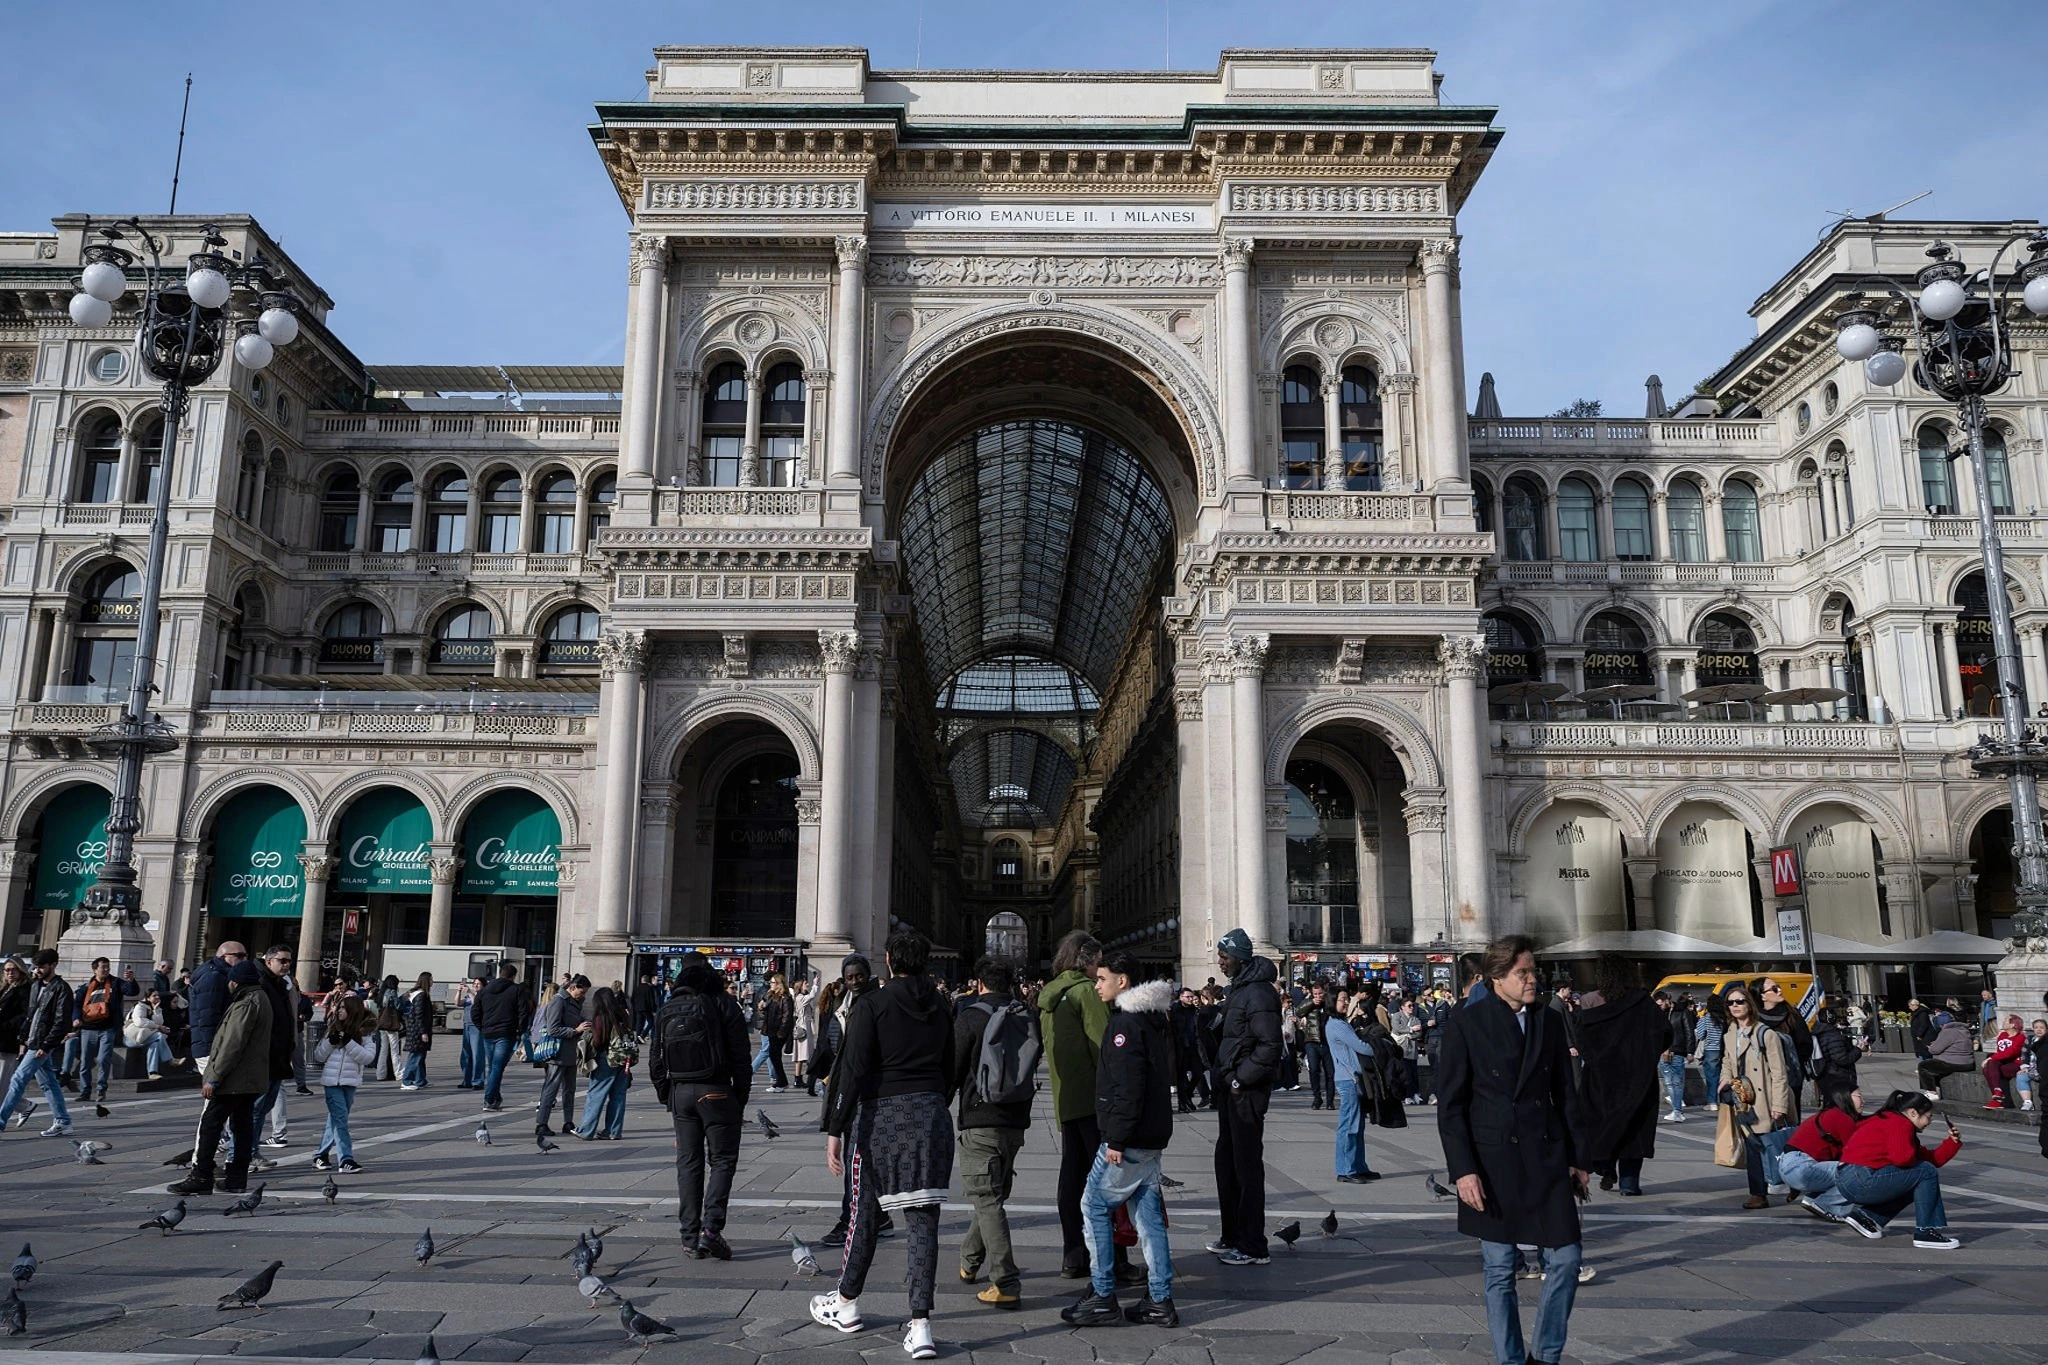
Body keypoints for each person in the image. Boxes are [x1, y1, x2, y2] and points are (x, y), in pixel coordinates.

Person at [1437, 935, 1591, 1365]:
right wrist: (1463, 1171)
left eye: (1534, 972)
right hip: (1492, 1162)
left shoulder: (1548, 1018)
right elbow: (1451, 1106)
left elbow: (1566, 1091)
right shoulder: (1467, 1022)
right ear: (1496, 978)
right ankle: (1510, 1359)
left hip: (1546, 1154)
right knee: (1500, 1268)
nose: (1532, 980)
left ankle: (1546, 1354)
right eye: (1523, 973)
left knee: (1567, 1257)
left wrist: (1580, 1157)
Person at [812, 931, 957, 1360]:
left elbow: (852, 1069)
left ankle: (846, 1302)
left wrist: (836, 1127)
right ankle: (921, 1327)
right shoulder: (942, 1006)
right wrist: (931, 1102)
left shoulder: (872, 1005)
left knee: (864, 1214)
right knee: (923, 1222)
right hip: (931, 1116)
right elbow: (951, 1067)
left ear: (890, 961)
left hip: (881, 1118)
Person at [1062, 952, 1177, 1328]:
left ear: (1122, 982)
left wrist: (1115, 1138)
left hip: (1130, 1138)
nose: (1096, 985)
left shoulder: (1125, 1025)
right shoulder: (1152, 1019)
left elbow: (1128, 1089)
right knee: (1147, 1216)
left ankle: (1102, 1293)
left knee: (1093, 1205)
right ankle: (1159, 1299)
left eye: (1102, 979)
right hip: (1151, 1134)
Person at [650, 952, 751, 1257]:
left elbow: (656, 1060)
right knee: (721, 1161)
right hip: (717, 1090)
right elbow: (741, 1057)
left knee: (688, 1164)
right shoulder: (724, 1003)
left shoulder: (669, 1006)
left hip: (680, 1091)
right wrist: (739, 1099)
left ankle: (688, 1236)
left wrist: (668, 1095)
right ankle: (711, 1229)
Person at [953, 957, 1033, 1310]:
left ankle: (1005, 1281)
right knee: (990, 1195)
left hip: (979, 1117)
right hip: (1016, 1118)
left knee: (986, 1198)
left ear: (980, 984)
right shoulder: (1024, 1015)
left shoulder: (971, 1016)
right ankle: (969, 1262)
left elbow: (953, 1067)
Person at [1039, 930, 1109, 1280]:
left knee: (1072, 1177)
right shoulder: (1085, 993)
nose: (1101, 970)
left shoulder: (1050, 997)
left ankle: (1073, 1255)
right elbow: (1103, 1048)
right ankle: (1113, 1258)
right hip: (1095, 1101)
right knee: (1106, 1182)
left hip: (1066, 1099)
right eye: (1098, 962)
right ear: (1087, 961)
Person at [1209, 927, 1281, 1267]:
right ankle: (1232, 1233)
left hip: (1245, 1093)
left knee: (1246, 1167)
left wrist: (1240, 1079)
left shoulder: (1258, 993)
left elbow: (1270, 1045)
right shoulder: (1238, 991)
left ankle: (1253, 1244)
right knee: (1227, 1162)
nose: (1220, 963)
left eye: (1224, 957)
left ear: (1238, 958)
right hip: (1229, 1090)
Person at [169, 960, 273, 1196]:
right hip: (250, 1078)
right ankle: (236, 1179)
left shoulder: (246, 1003)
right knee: (242, 1126)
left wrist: (214, 1077)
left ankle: (201, 1175)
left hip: (235, 1079)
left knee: (210, 1124)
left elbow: (231, 1043)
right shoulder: (259, 998)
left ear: (235, 982)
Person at [1573, 954, 1664, 1197]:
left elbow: (1581, 1037)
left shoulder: (1591, 1002)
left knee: (1603, 1123)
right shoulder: (1642, 1002)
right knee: (1635, 1126)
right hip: (1637, 1076)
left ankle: (1605, 1165)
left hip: (1601, 1078)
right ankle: (1629, 1182)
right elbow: (1663, 1033)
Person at [815, 954, 890, 1244]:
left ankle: (851, 1220)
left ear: (869, 974)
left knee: (855, 1160)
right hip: (843, 1085)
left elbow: (857, 1062)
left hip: (862, 1092)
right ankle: (879, 1215)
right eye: (850, 977)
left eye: (859, 975)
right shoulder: (844, 1004)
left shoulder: (871, 1005)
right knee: (860, 1159)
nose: (855, 981)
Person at [1834, 1090, 1963, 1249]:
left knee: (1918, 1178)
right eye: (1928, 1117)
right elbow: (1903, 1159)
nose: (1929, 1122)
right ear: (1913, 1113)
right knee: (1924, 1171)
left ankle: (1868, 1218)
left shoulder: (1888, 1119)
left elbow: (1932, 1159)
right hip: (1860, 1177)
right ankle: (1926, 1231)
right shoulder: (1900, 1123)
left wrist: (1952, 1142)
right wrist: (1913, 1155)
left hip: (1848, 1178)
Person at [1720, 983, 1801, 1210]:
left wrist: (1780, 1105)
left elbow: (1779, 1073)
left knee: (1775, 1144)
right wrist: (1724, 1078)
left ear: (1749, 1004)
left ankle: (1794, 1181)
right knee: (1753, 1146)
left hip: (1766, 1099)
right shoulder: (1730, 1033)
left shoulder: (1765, 1034)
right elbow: (1727, 1060)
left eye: (1740, 1001)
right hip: (1744, 1098)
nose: (1735, 1006)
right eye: (1730, 1003)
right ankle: (1758, 1193)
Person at [1778, 1083, 1877, 1234]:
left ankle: (1814, 1199)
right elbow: (1857, 1155)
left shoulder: (1833, 1115)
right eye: (1859, 1096)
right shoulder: (1842, 1117)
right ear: (1845, 1098)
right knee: (1859, 1171)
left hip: (1792, 1166)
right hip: (1800, 1166)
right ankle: (1828, 1204)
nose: (1862, 1101)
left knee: (1850, 1168)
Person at [0, 950, 74, 1136]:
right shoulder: (36, 986)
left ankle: (0, 1122)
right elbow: (30, 1016)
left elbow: (61, 1021)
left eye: (42, 966)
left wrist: (46, 1046)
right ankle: (63, 1121)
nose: (38, 970)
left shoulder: (61, 988)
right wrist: (23, 1040)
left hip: (42, 1043)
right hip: (32, 1041)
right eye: (36, 967)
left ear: (53, 965)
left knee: (17, 1080)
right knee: (48, 1083)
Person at [311, 992, 377, 1174]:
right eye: (338, 1007)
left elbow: (368, 1057)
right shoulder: (332, 1029)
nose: (338, 1010)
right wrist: (330, 1043)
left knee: (335, 1120)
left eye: (342, 1008)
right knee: (340, 1120)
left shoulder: (365, 1033)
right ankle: (346, 1159)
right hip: (331, 1083)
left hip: (350, 1082)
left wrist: (349, 1043)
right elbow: (318, 1056)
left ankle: (320, 1154)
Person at [1323, 997, 1381, 1182]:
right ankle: (1346, 1169)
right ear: (1332, 1002)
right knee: (1349, 1125)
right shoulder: (1337, 1025)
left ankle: (1358, 1166)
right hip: (1348, 1079)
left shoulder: (1341, 1022)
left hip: (1353, 1078)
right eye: (1342, 1000)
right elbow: (1361, 1047)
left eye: (1347, 999)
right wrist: (1381, 1048)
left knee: (1357, 1125)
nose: (1346, 1002)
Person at [249, 945, 298, 1151]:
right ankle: (242, 1155)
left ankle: (250, 1152)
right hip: (263, 1056)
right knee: (255, 1109)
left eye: (289, 961)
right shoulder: (260, 984)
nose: (286, 965)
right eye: (282, 961)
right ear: (269, 961)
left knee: (264, 1107)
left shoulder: (281, 984)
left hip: (278, 1056)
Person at [575, 985, 636, 1140]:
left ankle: (586, 1130)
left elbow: (598, 1042)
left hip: (606, 1059)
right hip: (624, 1059)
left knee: (596, 1095)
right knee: (618, 1096)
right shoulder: (623, 1014)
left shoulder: (602, 1017)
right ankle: (613, 1131)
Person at [534, 974, 590, 1137]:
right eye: (582, 992)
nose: (583, 996)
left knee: (569, 1089)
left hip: (571, 1053)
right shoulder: (558, 1001)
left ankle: (568, 1122)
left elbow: (574, 1019)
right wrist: (576, 1030)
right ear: (572, 988)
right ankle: (541, 1123)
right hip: (557, 1053)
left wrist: (584, 1023)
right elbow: (553, 1029)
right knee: (551, 1088)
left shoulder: (574, 1002)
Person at [73, 957, 130, 1104]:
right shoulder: (86, 986)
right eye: (103, 967)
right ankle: (85, 1091)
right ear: (95, 969)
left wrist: (131, 980)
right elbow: (77, 1004)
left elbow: (131, 990)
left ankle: (101, 1089)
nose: (106, 969)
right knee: (86, 1061)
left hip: (107, 1028)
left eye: (107, 967)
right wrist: (76, 1018)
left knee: (104, 1059)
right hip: (88, 1029)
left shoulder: (116, 983)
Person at [474, 962, 528, 1111]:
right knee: (497, 1067)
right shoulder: (517, 990)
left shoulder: (484, 991)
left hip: (488, 1033)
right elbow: (523, 1012)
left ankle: (495, 1097)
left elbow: (475, 1012)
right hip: (506, 1033)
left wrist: (482, 1027)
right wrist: (521, 1031)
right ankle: (489, 1099)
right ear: (513, 976)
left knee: (493, 1067)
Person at [1170, 987, 1210, 1113]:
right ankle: (1183, 1103)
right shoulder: (1174, 1011)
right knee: (1181, 1077)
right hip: (1180, 1047)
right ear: (1181, 997)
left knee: (1198, 1073)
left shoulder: (1195, 1011)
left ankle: (1187, 1095)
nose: (1191, 999)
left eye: (1192, 996)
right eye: (1188, 996)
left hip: (1194, 1046)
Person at [1917, 1011, 1975, 1095]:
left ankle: (1931, 1092)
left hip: (1954, 1063)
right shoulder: (1963, 1030)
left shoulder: (1947, 1031)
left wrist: (1932, 1046)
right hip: (1968, 1062)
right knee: (1935, 1067)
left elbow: (1934, 1050)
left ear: (1941, 1024)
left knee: (1924, 1066)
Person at [124, 988, 176, 1078]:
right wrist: (158, 1027)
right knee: (159, 1036)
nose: (157, 997)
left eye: (158, 995)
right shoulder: (140, 1006)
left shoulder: (158, 1008)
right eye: (154, 995)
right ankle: (170, 1059)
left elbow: (160, 1023)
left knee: (155, 1044)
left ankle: (152, 1073)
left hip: (146, 1037)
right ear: (148, 998)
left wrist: (156, 1010)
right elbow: (139, 1022)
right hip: (132, 1038)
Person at [1654, 990, 1689, 1122]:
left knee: (1677, 1082)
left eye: (1661, 1004)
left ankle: (1677, 1110)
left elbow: (1688, 1031)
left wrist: (1689, 1051)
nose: (1659, 1007)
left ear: (1667, 1000)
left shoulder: (1680, 1012)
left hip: (1677, 1050)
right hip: (1662, 1052)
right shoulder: (1658, 1014)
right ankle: (1676, 1109)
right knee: (1669, 1082)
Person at [1300, 982, 1333, 1110]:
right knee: (1314, 1070)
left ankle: (1329, 1100)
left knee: (1330, 1073)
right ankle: (1317, 1097)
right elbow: (1299, 1012)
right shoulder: (1308, 1002)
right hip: (1312, 1040)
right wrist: (1312, 1003)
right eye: (1315, 994)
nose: (1318, 996)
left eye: (1320, 993)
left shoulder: (1329, 1003)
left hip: (1327, 1042)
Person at [1981, 1014, 2025, 1109]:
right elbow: (2000, 1052)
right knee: (1989, 1066)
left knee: (1991, 1065)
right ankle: (1997, 1094)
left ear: (2012, 1025)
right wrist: (1992, 1059)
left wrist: (1990, 1058)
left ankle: (1998, 1100)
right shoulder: (2002, 1035)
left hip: (2015, 1064)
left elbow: (2010, 1053)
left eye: (2005, 1021)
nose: (2003, 1022)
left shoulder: (2020, 1037)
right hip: (2003, 1062)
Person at [399, 973, 434, 1089]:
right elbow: (419, 1015)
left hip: (414, 1029)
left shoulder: (415, 994)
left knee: (420, 1055)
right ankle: (407, 1080)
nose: (432, 982)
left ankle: (420, 1080)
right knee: (415, 1056)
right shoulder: (421, 995)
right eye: (431, 979)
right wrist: (423, 1032)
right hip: (417, 1031)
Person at [1693, 990, 1727, 1111]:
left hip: (1711, 1049)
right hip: (1724, 1049)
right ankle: (1724, 1101)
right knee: (1724, 1076)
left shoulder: (1707, 1018)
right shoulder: (1725, 1018)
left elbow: (1701, 1034)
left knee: (1711, 1077)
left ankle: (1712, 1102)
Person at [1389, 997, 1424, 1104]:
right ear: (1402, 1007)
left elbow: (1420, 1033)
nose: (1411, 1008)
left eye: (1412, 1005)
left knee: (1414, 1072)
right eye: (1409, 1006)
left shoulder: (1415, 1018)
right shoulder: (1397, 1016)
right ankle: (1406, 1095)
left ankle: (1415, 1093)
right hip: (1401, 1047)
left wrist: (1407, 1033)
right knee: (1405, 1073)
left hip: (1412, 1048)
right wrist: (1411, 1030)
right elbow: (1396, 1028)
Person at [455, 975, 485, 1090]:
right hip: (466, 1025)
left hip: (476, 1027)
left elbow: (476, 1004)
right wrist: (459, 991)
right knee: (466, 1054)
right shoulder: (469, 996)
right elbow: (457, 1003)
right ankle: (466, 1080)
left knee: (477, 1054)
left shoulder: (483, 996)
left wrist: (471, 993)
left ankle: (478, 1081)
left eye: (478, 984)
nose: (476, 985)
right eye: (475, 983)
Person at [792, 975, 816, 1096]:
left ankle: (798, 1078)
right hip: (803, 1026)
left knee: (801, 1055)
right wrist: (816, 984)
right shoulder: (801, 997)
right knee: (806, 1053)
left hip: (802, 1025)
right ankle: (807, 1077)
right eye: (806, 983)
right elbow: (811, 996)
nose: (808, 985)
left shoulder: (799, 997)